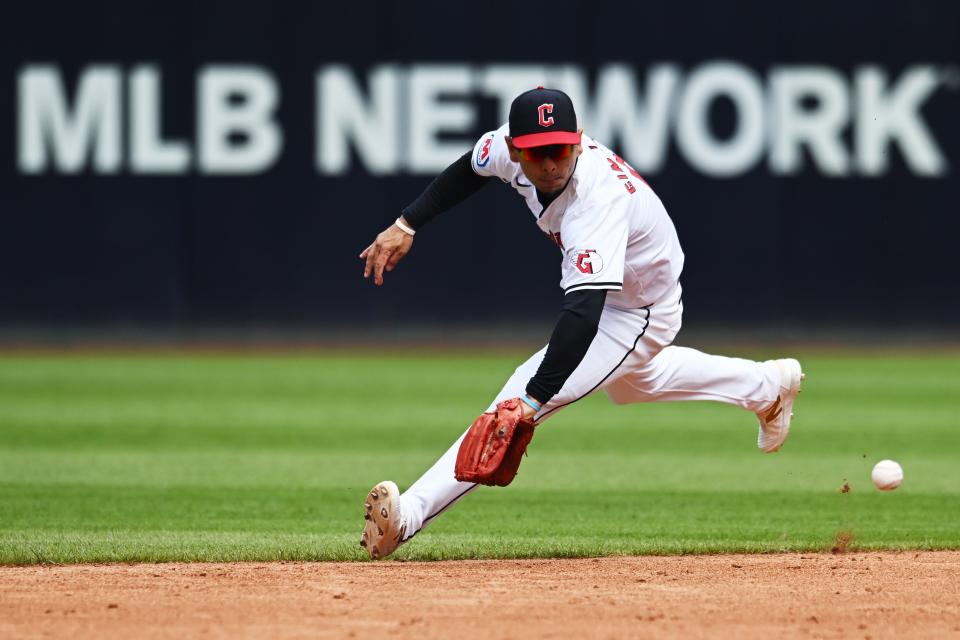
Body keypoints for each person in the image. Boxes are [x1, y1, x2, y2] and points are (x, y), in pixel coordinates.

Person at [357, 87, 803, 560]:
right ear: (514, 148)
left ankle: (408, 517)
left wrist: (532, 400)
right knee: (633, 384)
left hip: (639, 307)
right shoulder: (504, 148)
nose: (550, 162)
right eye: (537, 152)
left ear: (579, 140)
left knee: (515, 398)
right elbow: (469, 169)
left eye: (561, 148)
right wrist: (407, 224)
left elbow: (583, 313)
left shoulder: (596, 198)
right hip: (621, 294)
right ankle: (767, 386)